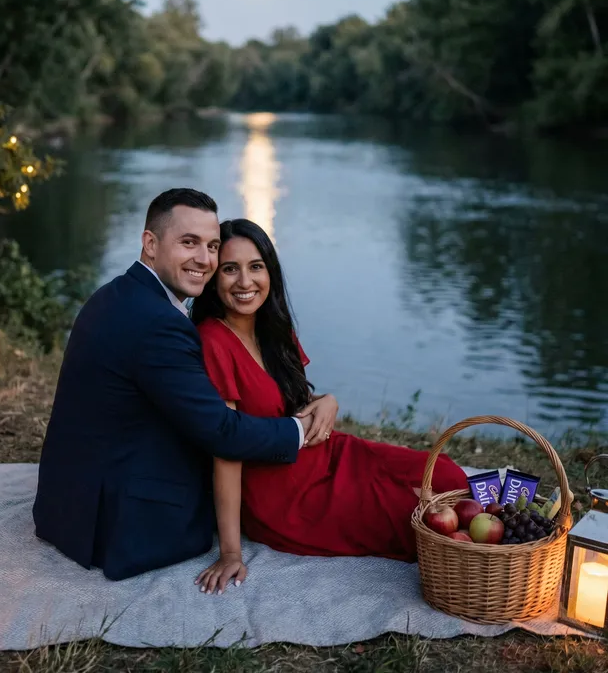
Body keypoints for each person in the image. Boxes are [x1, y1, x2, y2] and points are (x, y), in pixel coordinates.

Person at [32, 189, 334, 581]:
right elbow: (223, 433)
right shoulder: (160, 324)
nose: (205, 260)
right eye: (188, 243)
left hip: (65, 506)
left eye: (212, 246)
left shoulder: (115, 294)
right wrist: (301, 428)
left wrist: (318, 400)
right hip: (117, 526)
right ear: (150, 244)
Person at [190, 218, 468, 595]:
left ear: (270, 272)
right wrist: (230, 552)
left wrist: (327, 401)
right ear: (213, 277)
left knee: (450, 477)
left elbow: (295, 402)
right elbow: (226, 448)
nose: (245, 281)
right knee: (416, 516)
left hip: (329, 454)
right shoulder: (213, 341)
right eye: (230, 269)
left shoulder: (273, 328)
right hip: (285, 494)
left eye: (256, 266)